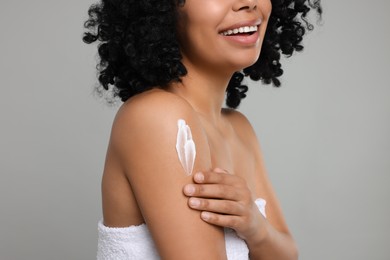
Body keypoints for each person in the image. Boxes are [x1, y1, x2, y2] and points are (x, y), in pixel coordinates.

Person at [83, 0, 321, 259]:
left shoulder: (238, 129)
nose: (248, 2)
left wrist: (255, 226)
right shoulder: (158, 117)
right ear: (162, 9)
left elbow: (287, 253)